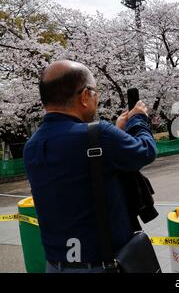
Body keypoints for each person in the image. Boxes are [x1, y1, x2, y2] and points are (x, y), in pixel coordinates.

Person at [23, 60, 157, 273]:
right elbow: (146, 150)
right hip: (101, 266)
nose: (97, 98)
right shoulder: (98, 135)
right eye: (95, 92)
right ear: (85, 96)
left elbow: (79, 164)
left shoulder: (32, 146)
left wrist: (116, 132)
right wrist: (138, 120)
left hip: (55, 265)